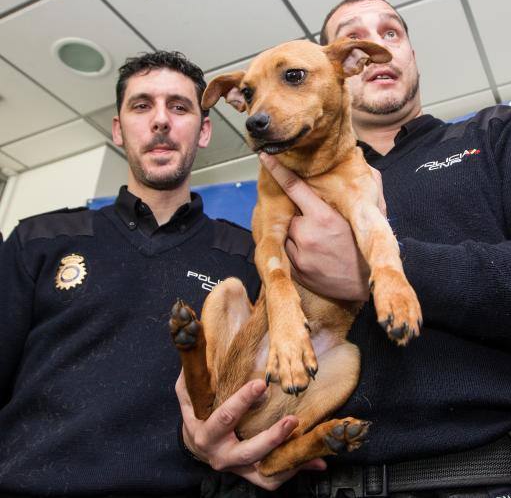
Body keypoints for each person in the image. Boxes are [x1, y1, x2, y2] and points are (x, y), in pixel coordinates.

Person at [252, 0, 511, 496]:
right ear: (339, 68)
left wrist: (384, 271)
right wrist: (220, 436)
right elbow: (270, 344)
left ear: (411, 53)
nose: (373, 45)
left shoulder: (501, 132)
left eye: (390, 32)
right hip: (326, 481)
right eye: (352, 39)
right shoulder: (293, 189)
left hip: (500, 477)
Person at [0, 51, 322, 496]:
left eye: (179, 106)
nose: (160, 121)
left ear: (204, 129)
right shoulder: (39, 240)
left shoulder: (251, 257)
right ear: (118, 129)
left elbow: (270, 392)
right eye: (141, 105)